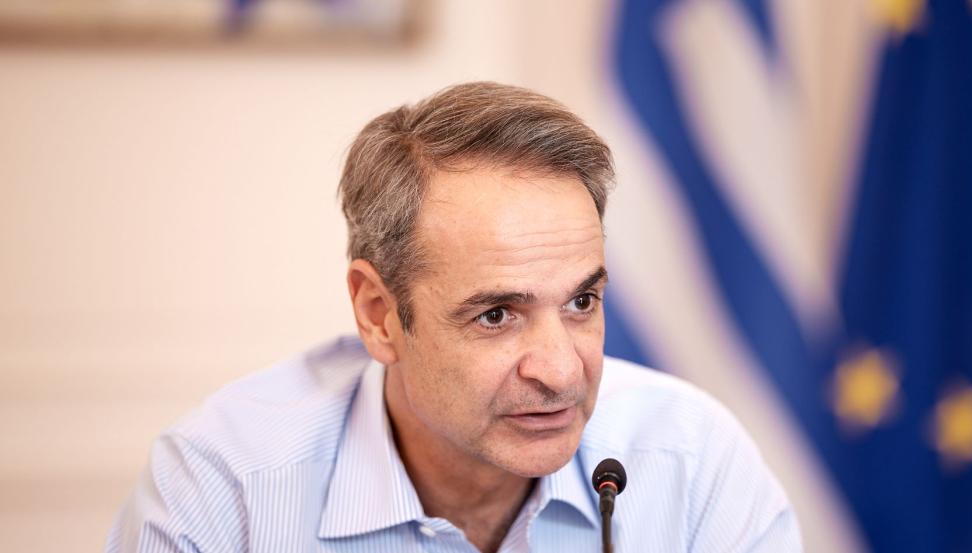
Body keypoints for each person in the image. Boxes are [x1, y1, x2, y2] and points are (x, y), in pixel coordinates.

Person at [105, 82, 802, 552]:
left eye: (581, 302)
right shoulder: (226, 486)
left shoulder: (691, 460)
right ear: (379, 316)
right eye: (497, 314)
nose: (562, 371)